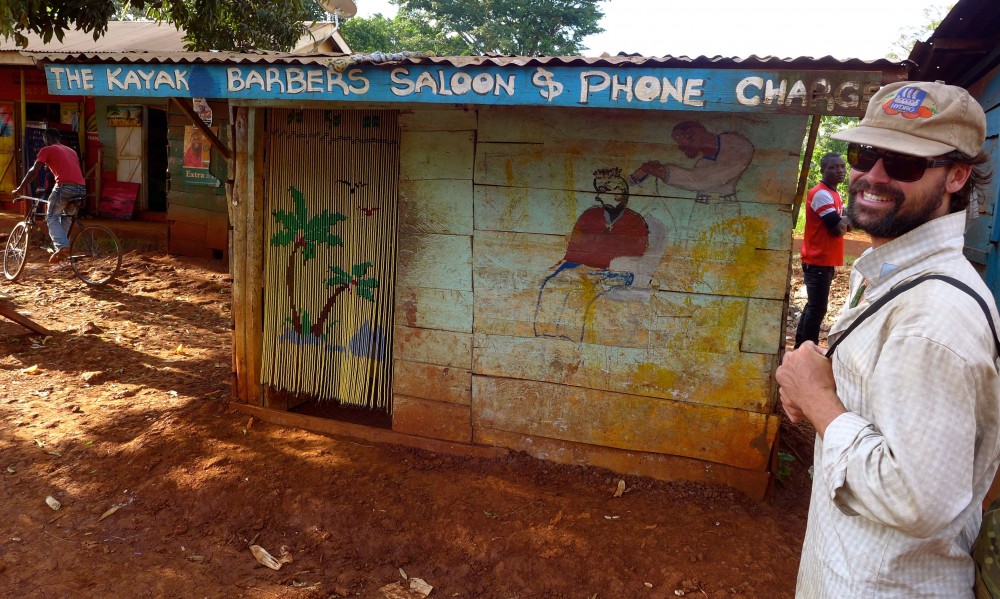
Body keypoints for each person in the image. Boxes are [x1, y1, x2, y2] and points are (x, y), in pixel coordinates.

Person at [776, 80, 1000, 597]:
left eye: (904, 163)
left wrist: (818, 400)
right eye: (866, 153)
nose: (873, 175)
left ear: (957, 176)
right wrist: (820, 398)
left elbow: (916, 499)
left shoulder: (933, 319)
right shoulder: (887, 271)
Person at [794, 152, 849, 348]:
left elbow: (843, 224)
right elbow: (838, 230)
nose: (839, 170)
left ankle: (802, 345)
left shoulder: (834, 193)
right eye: (833, 167)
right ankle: (808, 348)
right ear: (823, 170)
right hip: (817, 259)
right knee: (817, 309)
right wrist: (844, 221)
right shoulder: (821, 194)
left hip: (824, 260)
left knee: (813, 307)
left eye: (842, 166)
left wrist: (843, 221)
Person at [628, 120, 754, 202]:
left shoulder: (737, 146)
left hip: (725, 208)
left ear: (691, 135)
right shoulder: (702, 163)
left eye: (680, 140)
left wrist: (661, 171)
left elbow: (703, 180)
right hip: (702, 207)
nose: (680, 147)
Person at [13, 128, 85, 263]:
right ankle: (63, 252)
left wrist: (20, 188)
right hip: (80, 188)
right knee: (66, 218)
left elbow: (34, 170)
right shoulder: (71, 151)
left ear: (46, 138)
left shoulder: (47, 150)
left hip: (64, 187)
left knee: (51, 216)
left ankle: (62, 247)